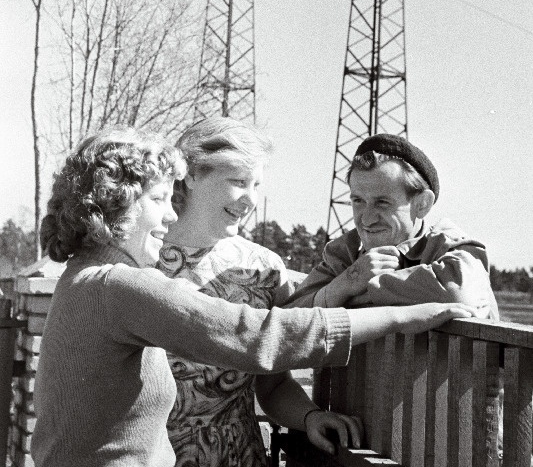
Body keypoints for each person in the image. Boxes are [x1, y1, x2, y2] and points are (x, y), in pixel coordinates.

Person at [32, 126, 478, 467]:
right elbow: (261, 337)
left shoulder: (88, 276)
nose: (170, 213)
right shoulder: (124, 279)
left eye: (257, 185)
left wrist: (306, 416)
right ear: (124, 203)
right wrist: (401, 317)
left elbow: (285, 342)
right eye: (161, 199)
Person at [158, 117, 361, 466]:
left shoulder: (263, 268)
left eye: (256, 184)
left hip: (240, 458)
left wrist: (310, 417)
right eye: (238, 181)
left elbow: (274, 385)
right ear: (191, 174)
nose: (250, 199)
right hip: (151, 456)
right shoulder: (139, 259)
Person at [285, 133, 498, 317]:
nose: (366, 219)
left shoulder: (448, 248)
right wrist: (350, 279)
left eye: (382, 203)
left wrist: (350, 292)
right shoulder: (345, 255)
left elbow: (459, 295)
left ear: (422, 204)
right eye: (358, 201)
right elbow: (291, 315)